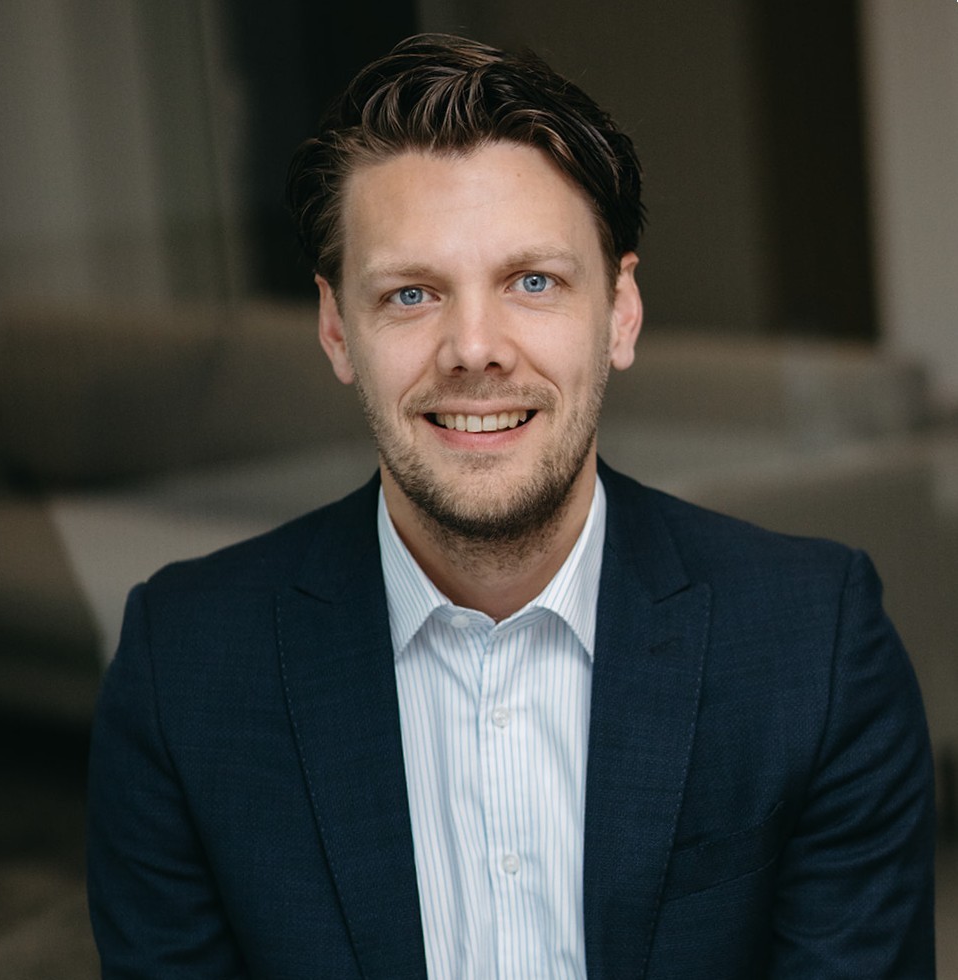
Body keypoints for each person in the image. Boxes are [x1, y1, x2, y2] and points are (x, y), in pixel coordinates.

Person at [87, 34, 936, 979]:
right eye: (411, 293)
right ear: (336, 330)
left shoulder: (815, 645)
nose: (474, 349)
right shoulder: (185, 671)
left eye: (533, 282)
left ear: (620, 312)